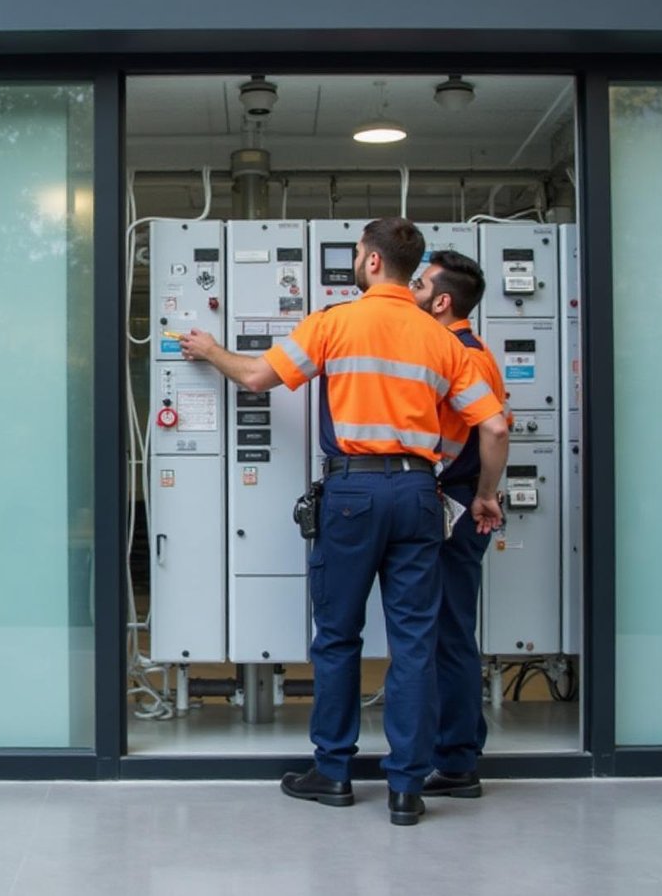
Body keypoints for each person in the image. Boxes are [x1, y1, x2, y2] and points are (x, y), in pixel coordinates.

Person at [180, 218, 509, 826]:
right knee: (414, 643)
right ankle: (407, 787)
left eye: (358, 254)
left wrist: (208, 351)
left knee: (337, 636)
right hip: (419, 492)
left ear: (374, 262)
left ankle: (332, 772)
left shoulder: (335, 322)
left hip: (353, 491)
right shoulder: (445, 339)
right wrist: (486, 494)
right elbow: (493, 426)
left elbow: (257, 377)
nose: (356, 262)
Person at [409, 249, 506, 801]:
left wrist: (482, 496)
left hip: (455, 505)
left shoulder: (460, 354)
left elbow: (490, 432)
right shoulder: (473, 351)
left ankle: (457, 761)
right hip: (463, 502)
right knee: (450, 632)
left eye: (419, 285)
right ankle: (460, 749)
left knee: (447, 635)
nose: (410, 291)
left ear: (441, 301)